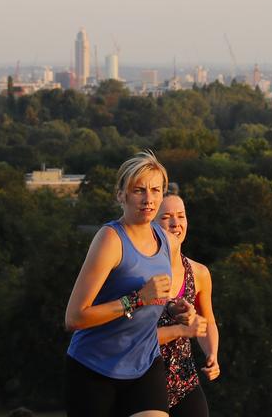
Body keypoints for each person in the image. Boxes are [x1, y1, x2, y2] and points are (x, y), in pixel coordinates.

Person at [65, 150, 177, 417]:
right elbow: (74, 318)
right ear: (121, 195)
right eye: (139, 190)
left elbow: (156, 301)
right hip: (94, 368)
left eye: (155, 190)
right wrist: (137, 299)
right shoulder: (110, 240)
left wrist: (174, 309)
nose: (148, 199)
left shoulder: (167, 241)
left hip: (145, 363)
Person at [155, 190, 220, 417]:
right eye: (166, 217)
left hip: (185, 380)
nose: (175, 223)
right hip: (142, 380)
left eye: (181, 216)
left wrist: (212, 354)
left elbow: (206, 320)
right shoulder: (138, 271)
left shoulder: (199, 272)